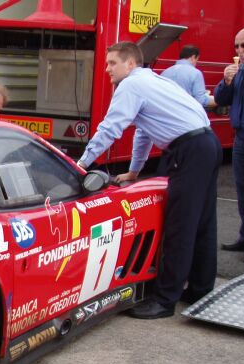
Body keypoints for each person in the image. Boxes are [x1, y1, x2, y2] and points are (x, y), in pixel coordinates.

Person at [76, 41, 222, 319]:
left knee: (179, 226)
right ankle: (201, 289)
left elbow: (111, 127)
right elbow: (143, 132)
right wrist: (134, 171)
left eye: (112, 63)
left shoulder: (130, 85)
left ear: (130, 64)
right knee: (203, 222)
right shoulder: (152, 81)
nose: (107, 69)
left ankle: (165, 300)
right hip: (206, 143)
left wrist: (82, 163)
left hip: (189, 150)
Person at [214, 26, 244, 263]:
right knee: (243, 190)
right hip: (241, 138)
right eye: (236, 46)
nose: (239, 50)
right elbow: (220, 99)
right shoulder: (240, 71)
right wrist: (226, 82)